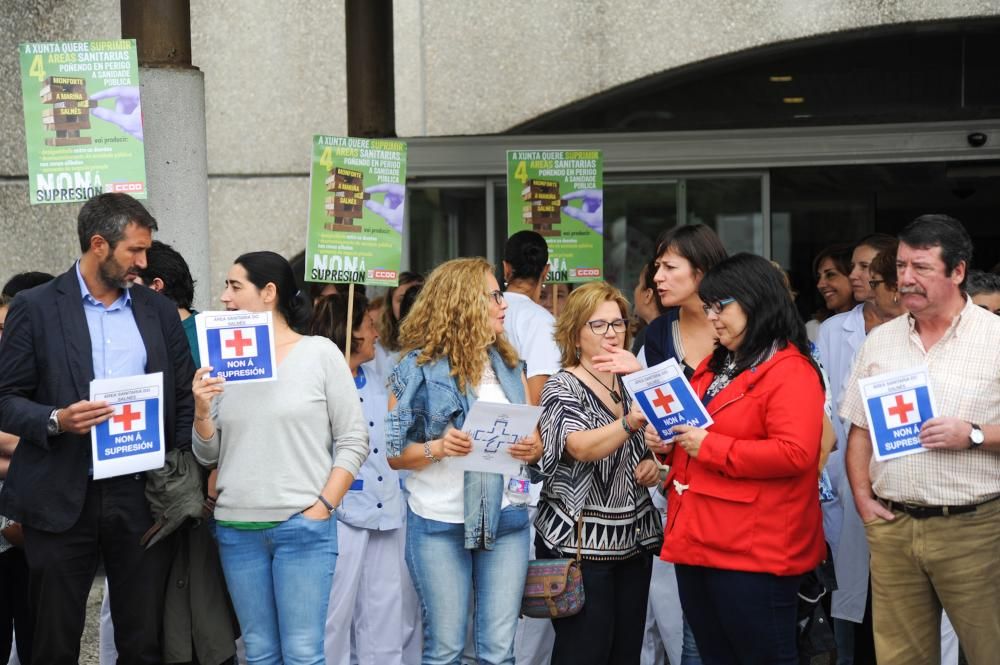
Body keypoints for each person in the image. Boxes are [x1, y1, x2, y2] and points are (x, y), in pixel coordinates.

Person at [0, 193, 196, 664]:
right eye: (135, 250)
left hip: (140, 496)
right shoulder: (36, 306)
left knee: (143, 639)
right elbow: (6, 399)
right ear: (99, 245)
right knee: (53, 638)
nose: (143, 262)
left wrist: (177, 467)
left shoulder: (158, 310)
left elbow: (182, 397)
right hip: (59, 493)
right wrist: (56, 420)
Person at [191, 251, 369, 664]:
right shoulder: (223, 360)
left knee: (304, 653)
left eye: (235, 287)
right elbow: (209, 453)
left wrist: (324, 506)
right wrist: (202, 410)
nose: (224, 297)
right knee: (259, 652)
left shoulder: (320, 353)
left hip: (301, 528)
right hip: (237, 529)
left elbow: (354, 438)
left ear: (269, 292)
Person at [841, 214, 1000, 665]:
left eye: (922, 268)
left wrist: (971, 434)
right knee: (899, 657)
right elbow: (859, 430)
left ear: (958, 272)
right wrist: (861, 498)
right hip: (893, 527)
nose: (906, 279)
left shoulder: (994, 337)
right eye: (902, 267)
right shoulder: (881, 341)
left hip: (975, 528)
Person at [658, 253, 826, 665]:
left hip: (755, 549)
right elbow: (696, 432)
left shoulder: (790, 369)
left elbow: (797, 452)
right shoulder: (718, 365)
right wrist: (667, 442)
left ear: (756, 300)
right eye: (709, 306)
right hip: (699, 537)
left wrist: (709, 447)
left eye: (722, 305)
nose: (713, 317)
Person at [385, 257, 541, 665]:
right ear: (463, 302)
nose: (504, 304)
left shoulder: (509, 364)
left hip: (505, 519)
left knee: (498, 653)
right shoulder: (413, 368)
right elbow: (395, 453)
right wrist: (440, 447)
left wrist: (531, 448)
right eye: (495, 296)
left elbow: (534, 440)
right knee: (446, 650)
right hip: (439, 522)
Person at [99, 241, 238, 665]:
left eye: (128, 280)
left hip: (187, 498)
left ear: (154, 286)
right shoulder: (121, 334)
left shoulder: (209, 339)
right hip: (131, 495)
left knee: (187, 612)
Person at [534, 281, 663, 665]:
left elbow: (664, 441)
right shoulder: (562, 385)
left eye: (619, 324)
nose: (612, 333)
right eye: (599, 325)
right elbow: (579, 446)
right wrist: (630, 421)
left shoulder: (631, 379)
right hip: (580, 548)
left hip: (633, 543)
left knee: (625, 655)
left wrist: (655, 466)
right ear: (575, 332)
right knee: (584, 654)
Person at [310, 293, 407, 665]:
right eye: (368, 326)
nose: (376, 334)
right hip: (341, 514)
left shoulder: (381, 376)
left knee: (384, 619)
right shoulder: (322, 384)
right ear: (350, 332)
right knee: (333, 619)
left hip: (386, 513)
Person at [813, 232, 896, 665]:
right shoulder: (833, 330)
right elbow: (826, 407)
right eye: (857, 267)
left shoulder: (909, 330)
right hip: (842, 477)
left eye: (867, 268)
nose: (857, 275)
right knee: (847, 599)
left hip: (899, 480)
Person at [499, 231, 561, 665]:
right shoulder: (541, 321)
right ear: (545, 272)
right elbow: (538, 391)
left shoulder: (490, 312)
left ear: (504, 270)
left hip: (480, 455)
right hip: (525, 466)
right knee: (526, 584)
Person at [375, 271, 425, 380]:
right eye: (402, 300)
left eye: (415, 299)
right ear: (390, 305)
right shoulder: (377, 349)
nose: (409, 305)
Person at [806, 243, 856, 341]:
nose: (820, 285)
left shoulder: (876, 327)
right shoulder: (813, 329)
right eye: (819, 277)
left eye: (830, 275)